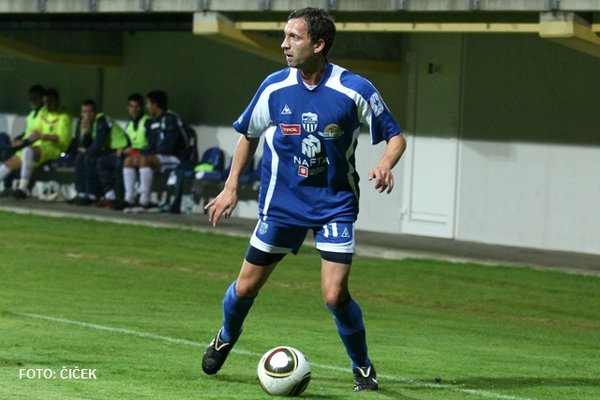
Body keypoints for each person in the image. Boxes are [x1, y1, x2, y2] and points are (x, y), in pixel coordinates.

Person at [201, 7, 406, 392]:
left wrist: (384, 163)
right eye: (285, 36)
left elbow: (395, 137)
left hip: (334, 205)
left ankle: (362, 367)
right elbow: (248, 135)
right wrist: (230, 186)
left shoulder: (354, 89)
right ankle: (226, 337)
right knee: (244, 289)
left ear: (319, 44)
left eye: (294, 37)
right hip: (282, 205)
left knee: (335, 295)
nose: (284, 44)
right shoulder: (274, 86)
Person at [0, 88, 72, 198]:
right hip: (38, 145)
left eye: (50, 102)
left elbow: (62, 139)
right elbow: (35, 132)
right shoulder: (43, 112)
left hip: (55, 148)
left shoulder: (64, 116)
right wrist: (22, 141)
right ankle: (19, 188)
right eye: (45, 102)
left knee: (28, 151)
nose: (47, 105)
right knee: (11, 162)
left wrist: (42, 136)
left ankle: (23, 188)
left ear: (56, 101)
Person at [122, 90, 187, 210]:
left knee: (145, 161)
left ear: (155, 105)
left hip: (176, 158)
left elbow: (169, 147)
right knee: (129, 161)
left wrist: (146, 156)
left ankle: (144, 201)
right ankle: (129, 198)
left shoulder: (170, 119)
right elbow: (151, 146)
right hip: (159, 156)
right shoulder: (153, 122)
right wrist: (140, 154)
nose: (147, 107)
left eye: (148, 104)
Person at [69, 99, 127, 206]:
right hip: (107, 150)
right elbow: (85, 145)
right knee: (80, 157)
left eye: (90, 111)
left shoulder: (101, 120)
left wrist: (87, 151)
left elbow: (99, 142)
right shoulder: (91, 124)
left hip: (119, 149)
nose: (87, 115)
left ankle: (93, 194)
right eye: (84, 112)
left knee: (89, 157)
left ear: (95, 112)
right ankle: (82, 193)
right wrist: (86, 132)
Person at [0, 84, 46, 194]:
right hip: (26, 143)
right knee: (5, 148)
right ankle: (9, 186)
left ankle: (16, 187)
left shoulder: (45, 114)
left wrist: (23, 142)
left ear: (42, 98)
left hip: (36, 146)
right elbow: (27, 132)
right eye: (31, 98)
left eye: (35, 98)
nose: (32, 100)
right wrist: (17, 139)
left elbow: (37, 134)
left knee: (8, 152)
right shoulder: (32, 114)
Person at [114, 93, 150, 210]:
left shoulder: (147, 122)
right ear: (127, 107)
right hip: (133, 154)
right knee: (107, 160)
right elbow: (127, 143)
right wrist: (122, 148)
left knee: (122, 162)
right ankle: (119, 196)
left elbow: (152, 145)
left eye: (137, 106)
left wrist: (133, 151)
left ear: (141, 108)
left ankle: (131, 198)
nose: (134, 110)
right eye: (131, 106)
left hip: (145, 153)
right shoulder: (129, 125)